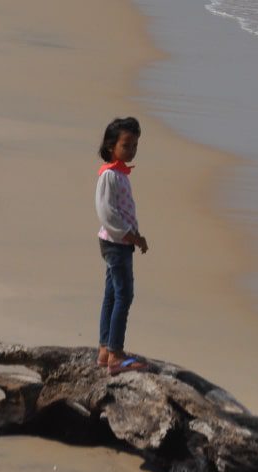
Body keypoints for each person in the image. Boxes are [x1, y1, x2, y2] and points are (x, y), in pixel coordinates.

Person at [95, 117, 149, 374]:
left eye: (135, 145)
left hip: (119, 242)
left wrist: (134, 235)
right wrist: (132, 237)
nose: (132, 150)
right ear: (111, 146)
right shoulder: (109, 175)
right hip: (116, 244)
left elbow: (122, 210)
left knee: (112, 294)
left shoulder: (119, 174)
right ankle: (115, 353)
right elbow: (107, 213)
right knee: (123, 295)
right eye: (126, 145)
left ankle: (105, 349)